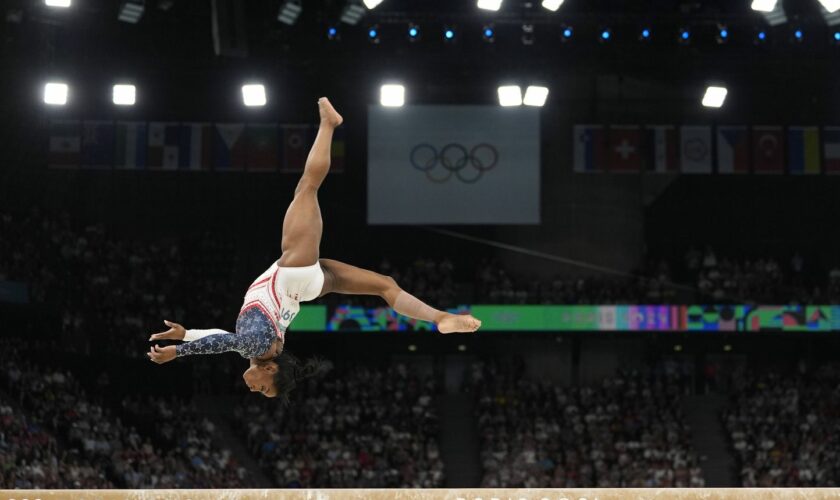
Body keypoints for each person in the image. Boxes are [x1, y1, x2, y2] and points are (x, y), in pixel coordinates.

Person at [147, 97, 481, 400]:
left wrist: (187, 334)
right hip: (294, 274)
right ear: (271, 369)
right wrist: (179, 353)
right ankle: (329, 124)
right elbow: (226, 342)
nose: (253, 388)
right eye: (263, 388)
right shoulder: (257, 345)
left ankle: (440, 317)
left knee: (384, 286)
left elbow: (226, 339)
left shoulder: (259, 347)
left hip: (308, 286)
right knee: (307, 187)